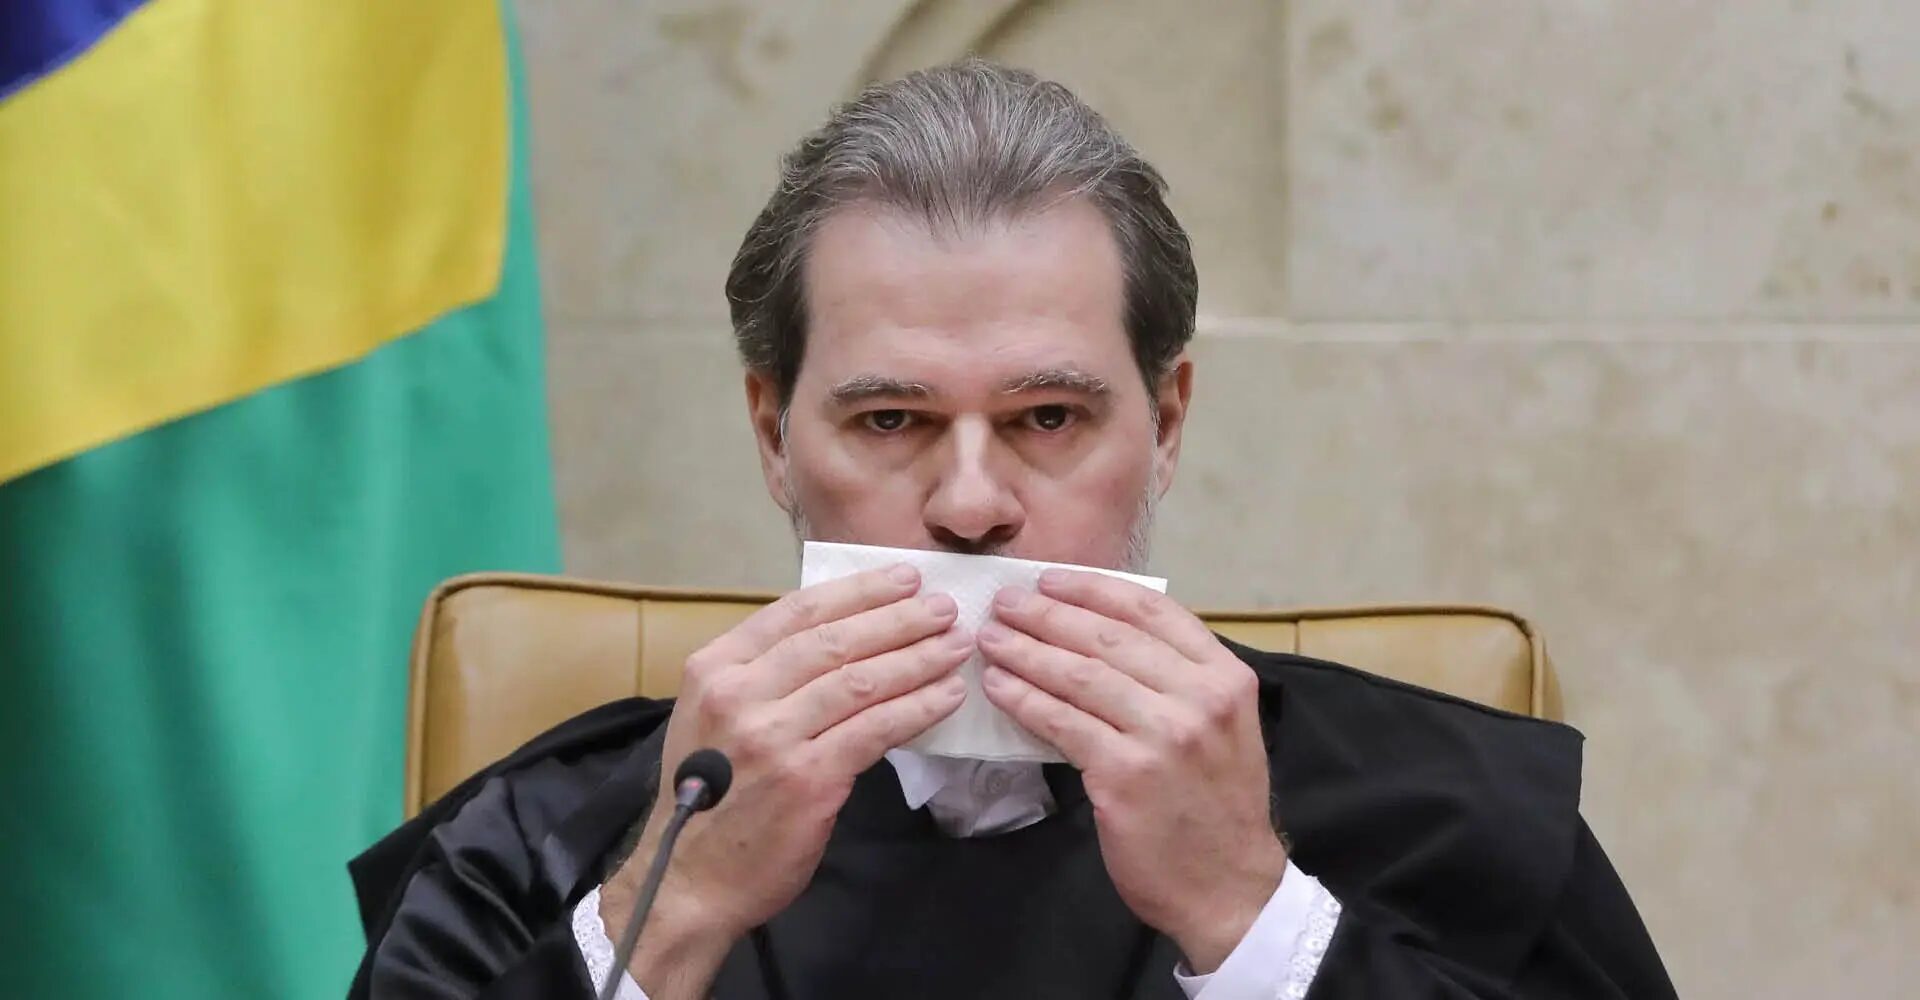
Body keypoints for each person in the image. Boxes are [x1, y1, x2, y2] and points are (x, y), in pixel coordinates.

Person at [348, 60, 1676, 999]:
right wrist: (675, 913)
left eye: (1048, 418)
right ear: (772, 435)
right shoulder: (556, 843)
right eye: (890, 421)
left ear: (1165, 423)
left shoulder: (1450, 822)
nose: (971, 504)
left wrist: (1253, 916)